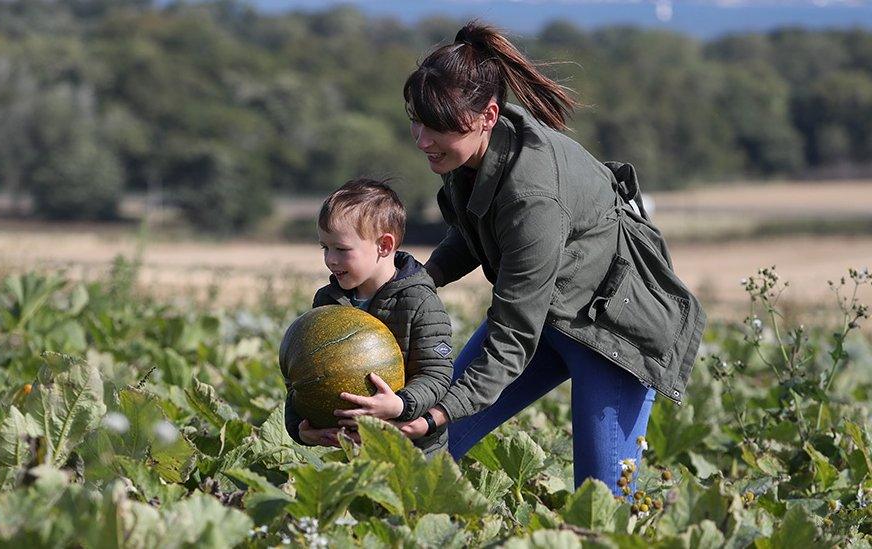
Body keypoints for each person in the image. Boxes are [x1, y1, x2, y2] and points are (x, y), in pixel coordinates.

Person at [391, 21, 705, 493]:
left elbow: (513, 333)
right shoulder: (471, 154)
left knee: (601, 503)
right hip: (548, 315)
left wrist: (439, 412)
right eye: (416, 119)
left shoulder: (532, 195)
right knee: (416, 452)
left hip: (611, 333)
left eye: (436, 126)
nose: (422, 139)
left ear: (487, 115)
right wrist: (423, 276)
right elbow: (473, 228)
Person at [283, 178, 454, 456]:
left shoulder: (419, 301)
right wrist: (299, 426)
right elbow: (303, 379)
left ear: (384, 246)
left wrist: (399, 405)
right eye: (325, 248)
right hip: (348, 451)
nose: (331, 260)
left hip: (412, 451)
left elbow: (437, 374)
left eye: (342, 249)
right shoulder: (327, 301)